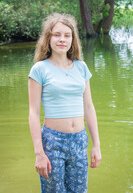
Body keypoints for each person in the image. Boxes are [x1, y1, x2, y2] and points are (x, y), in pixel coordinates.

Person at [28, 12, 101, 193]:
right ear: (48, 38)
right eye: (57, 34)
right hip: (53, 141)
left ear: (72, 40)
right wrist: (39, 153)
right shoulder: (40, 69)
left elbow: (89, 107)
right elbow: (33, 113)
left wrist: (96, 145)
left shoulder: (81, 67)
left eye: (67, 35)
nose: (62, 39)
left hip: (79, 140)